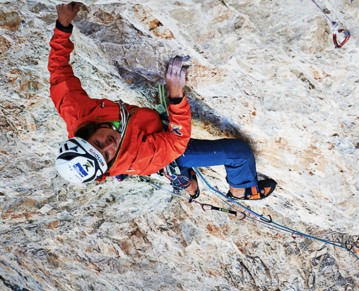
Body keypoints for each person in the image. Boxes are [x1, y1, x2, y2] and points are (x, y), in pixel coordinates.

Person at [50, 2, 276, 200]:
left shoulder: (76, 112)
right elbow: (177, 141)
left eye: (98, 143)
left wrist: (63, 26)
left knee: (172, 160)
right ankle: (242, 189)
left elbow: (59, 72)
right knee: (238, 153)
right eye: (108, 154)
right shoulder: (138, 157)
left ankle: (186, 180)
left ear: (84, 134)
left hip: (151, 138)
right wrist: (176, 96)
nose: (111, 143)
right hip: (163, 150)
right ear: (109, 163)